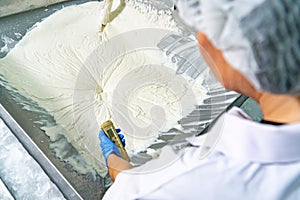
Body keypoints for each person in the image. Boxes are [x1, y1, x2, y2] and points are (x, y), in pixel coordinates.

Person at [99, 0, 300, 199]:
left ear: (235, 48)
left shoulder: (186, 184)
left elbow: (135, 190)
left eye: (203, 30)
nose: (201, 40)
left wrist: (114, 161)